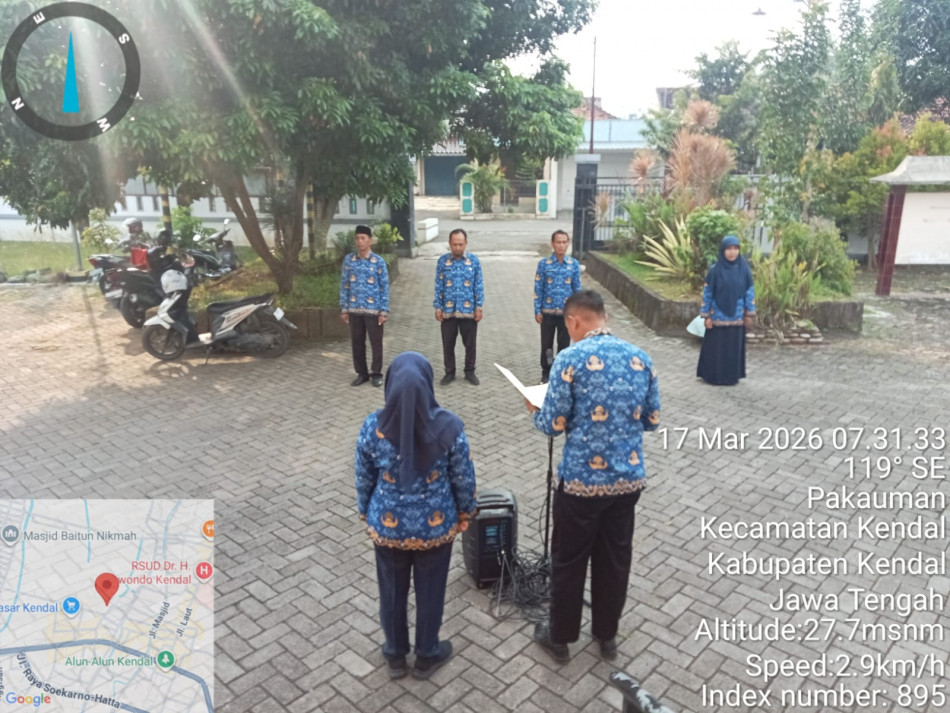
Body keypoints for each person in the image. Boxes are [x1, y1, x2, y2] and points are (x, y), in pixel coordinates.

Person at [526, 290, 660, 663]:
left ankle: (560, 638)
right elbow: (652, 420)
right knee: (614, 560)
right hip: (627, 482)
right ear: (604, 316)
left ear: (573, 321)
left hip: (580, 486)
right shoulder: (641, 358)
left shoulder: (569, 360)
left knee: (569, 562)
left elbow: (552, 425)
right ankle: (606, 635)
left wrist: (534, 407)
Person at [355, 352, 477, 680]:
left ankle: (395, 656)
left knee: (391, 591)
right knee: (431, 591)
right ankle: (427, 655)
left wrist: (365, 511)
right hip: (435, 527)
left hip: (388, 528)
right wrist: (465, 512)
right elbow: (463, 477)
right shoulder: (449, 427)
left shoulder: (373, 427)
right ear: (428, 384)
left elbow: (364, 477)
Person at [696, 235, 755, 386]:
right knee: (716, 348)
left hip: (737, 316)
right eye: (729, 249)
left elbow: (749, 292)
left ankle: (731, 377)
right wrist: (706, 316)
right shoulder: (715, 270)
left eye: (735, 249)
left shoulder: (744, 269)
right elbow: (707, 293)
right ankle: (713, 377)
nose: (732, 252)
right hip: (717, 316)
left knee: (732, 348)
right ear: (723, 250)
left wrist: (749, 313)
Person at [340, 225, 390, 387]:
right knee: (357, 343)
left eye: (363, 238)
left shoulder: (378, 262)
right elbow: (345, 285)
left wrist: (383, 311)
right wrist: (344, 308)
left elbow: (384, 287)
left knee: (376, 343)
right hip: (354, 309)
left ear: (370, 241)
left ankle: (376, 374)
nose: (359, 241)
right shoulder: (349, 260)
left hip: (373, 310)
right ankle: (362, 374)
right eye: (357, 238)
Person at [433, 228, 484, 385]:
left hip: (469, 311)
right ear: (449, 244)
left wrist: (479, 307)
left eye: (460, 244)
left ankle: (470, 371)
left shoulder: (473, 261)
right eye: (454, 244)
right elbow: (438, 285)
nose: (457, 247)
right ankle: (449, 372)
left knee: (470, 344)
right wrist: (438, 307)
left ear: (466, 243)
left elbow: (478, 285)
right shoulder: (443, 262)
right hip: (448, 311)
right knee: (448, 344)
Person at [534, 229, 582, 383]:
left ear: (568, 244)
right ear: (552, 244)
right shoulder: (544, 264)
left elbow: (577, 290)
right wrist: (537, 310)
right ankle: (546, 373)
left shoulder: (573, 265)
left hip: (566, 314)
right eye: (558, 242)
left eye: (564, 242)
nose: (561, 245)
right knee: (546, 345)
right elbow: (538, 288)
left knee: (564, 346)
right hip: (547, 312)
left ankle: (561, 374)